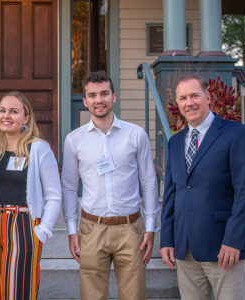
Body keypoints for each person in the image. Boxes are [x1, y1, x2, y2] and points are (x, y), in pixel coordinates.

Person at [61, 71, 158, 300]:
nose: (99, 100)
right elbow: (68, 188)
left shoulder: (136, 135)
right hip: (92, 228)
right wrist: (72, 231)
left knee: (134, 296)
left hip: (131, 227)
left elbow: (149, 182)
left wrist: (151, 227)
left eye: (104, 93)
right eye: (92, 95)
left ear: (114, 96)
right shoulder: (74, 140)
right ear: (85, 101)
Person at [160, 74, 245, 300]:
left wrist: (234, 240)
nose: (189, 102)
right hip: (185, 249)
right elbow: (171, 194)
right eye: (183, 98)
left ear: (208, 96)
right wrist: (167, 239)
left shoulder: (237, 134)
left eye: (195, 95)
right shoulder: (175, 142)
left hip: (224, 248)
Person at [0, 91, 61, 300]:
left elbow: (54, 196)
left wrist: (42, 231)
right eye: (2, 110)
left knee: (19, 290)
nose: (7, 116)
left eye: (14, 111)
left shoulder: (39, 148)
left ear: (26, 118)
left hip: (23, 225)